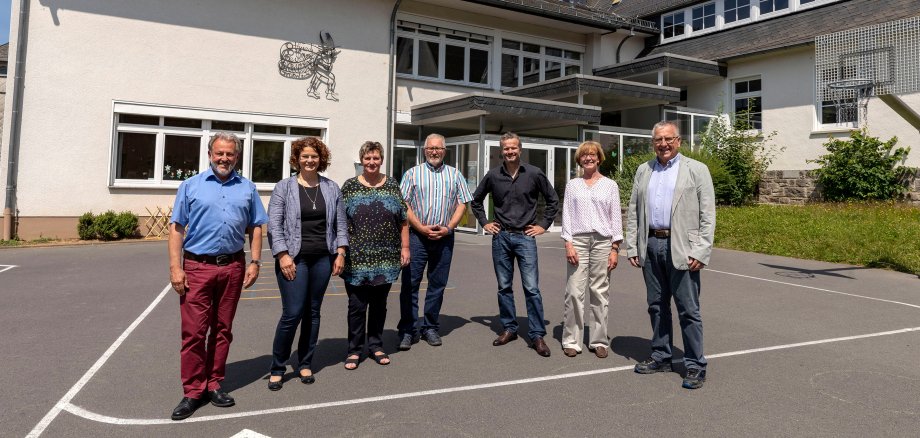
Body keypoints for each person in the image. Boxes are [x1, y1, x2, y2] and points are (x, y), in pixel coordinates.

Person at [168, 132, 267, 420]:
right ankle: (193, 391)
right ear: (210, 154)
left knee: (223, 330)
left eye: (230, 154)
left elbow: (256, 227)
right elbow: (176, 228)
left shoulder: (247, 188)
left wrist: (255, 261)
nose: (225, 158)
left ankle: (214, 384)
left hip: (233, 267)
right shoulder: (191, 186)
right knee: (195, 333)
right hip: (198, 267)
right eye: (219, 153)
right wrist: (176, 267)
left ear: (237, 156)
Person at [625, 120, 716, 390]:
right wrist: (633, 245)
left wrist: (701, 249)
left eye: (668, 139)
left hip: (683, 248)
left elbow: (707, 214)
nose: (663, 144)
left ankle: (694, 364)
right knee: (656, 305)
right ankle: (662, 355)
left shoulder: (696, 170)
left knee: (688, 310)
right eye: (658, 140)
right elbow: (633, 211)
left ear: (679, 141)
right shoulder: (644, 170)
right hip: (651, 245)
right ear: (652, 142)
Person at [266, 137, 347, 391]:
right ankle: (278, 367)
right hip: (294, 258)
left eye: (314, 156)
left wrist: (341, 252)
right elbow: (274, 224)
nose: (310, 160)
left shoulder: (332, 188)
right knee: (293, 313)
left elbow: (341, 225)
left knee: (313, 312)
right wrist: (282, 255)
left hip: (322, 258)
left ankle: (305, 362)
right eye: (305, 156)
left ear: (321, 159)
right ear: (297, 159)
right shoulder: (284, 187)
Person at [471, 132, 559, 357]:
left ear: (520, 149)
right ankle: (509, 328)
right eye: (506, 149)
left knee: (532, 288)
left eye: (513, 148)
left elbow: (552, 200)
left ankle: (537, 334)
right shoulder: (493, 175)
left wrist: (543, 225)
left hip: (525, 237)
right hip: (501, 237)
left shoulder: (534, 173)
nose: (510, 152)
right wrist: (485, 223)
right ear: (502, 151)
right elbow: (476, 201)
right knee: (504, 287)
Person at [397, 133, 473, 350]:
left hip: (444, 238)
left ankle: (430, 327)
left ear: (444, 151)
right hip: (417, 237)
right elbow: (404, 204)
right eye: (430, 148)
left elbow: (461, 204)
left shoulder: (455, 174)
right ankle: (408, 330)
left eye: (438, 148)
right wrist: (420, 226)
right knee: (409, 285)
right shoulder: (412, 174)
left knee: (437, 285)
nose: (434, 151)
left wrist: (449, 228)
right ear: (424, 150)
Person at [340, 141, 410, 369]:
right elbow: (339, 222)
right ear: (362, 160)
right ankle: (354, 349)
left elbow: (403, 220)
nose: (372, 162)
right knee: (357, 306)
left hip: (386, 258)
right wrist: (339, 252)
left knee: (379, 305)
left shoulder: (392, 184)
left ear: (381, 160)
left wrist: (405, 248)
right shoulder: (349, 186)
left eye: (376, 158)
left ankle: (376, 345)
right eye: (368, 158)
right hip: (356, 259)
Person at [560, 141, 623, 359]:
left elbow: (616, 218)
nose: (588, 158)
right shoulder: (573, 185)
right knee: (574, 292)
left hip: (603, 242)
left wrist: (615, 248)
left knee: (599, 292)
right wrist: (568, 243)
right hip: (577, 240)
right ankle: (571, 340)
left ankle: (598, 340)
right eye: (584, 155)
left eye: (592, 155)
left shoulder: (610, 185)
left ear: (599, 158)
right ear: (580, 159)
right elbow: (566, 215)